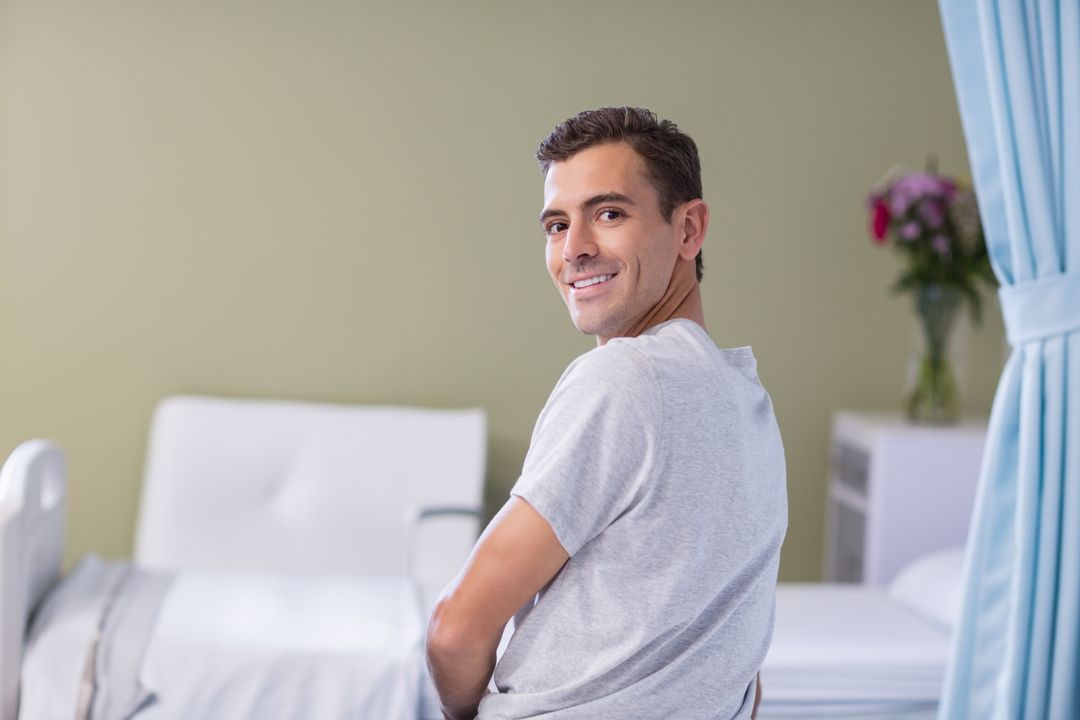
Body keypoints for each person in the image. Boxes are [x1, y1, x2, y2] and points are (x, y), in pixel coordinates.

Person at [425, 106, 787, 720]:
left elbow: (455, 631)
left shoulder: (624, 379)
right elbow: (743, 681)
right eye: (556, 225)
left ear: (689, 229)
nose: (575, 250)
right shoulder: (745, 399)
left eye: (610, 214)